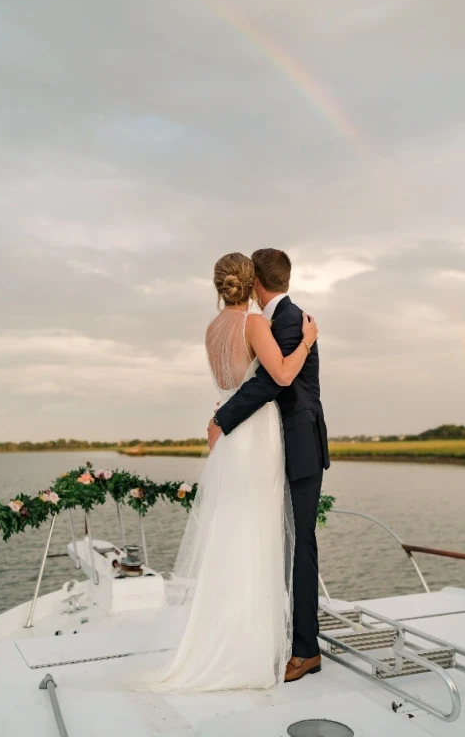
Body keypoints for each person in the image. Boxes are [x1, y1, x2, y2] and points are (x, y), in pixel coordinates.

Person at [125, 251, 317, 693]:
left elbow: (234, 385)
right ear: (250, 285)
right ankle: (249, 648)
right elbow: (283, 376)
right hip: (257, 437)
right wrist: (307, 339)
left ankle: (226, 638)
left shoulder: (211, 331)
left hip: (231, 439)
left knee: (232, 534)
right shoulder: (255, 325)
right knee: (258, 535)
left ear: (219, 286)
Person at [208, 248, 329, 683]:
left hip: (299, 446)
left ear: (256, 282)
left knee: (300, 545)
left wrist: (222, 418)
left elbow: (268, 381)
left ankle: (306, 650)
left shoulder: (292, 320)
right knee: (268, 539)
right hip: (270, 446)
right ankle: (267, 633)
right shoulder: (268, 323)